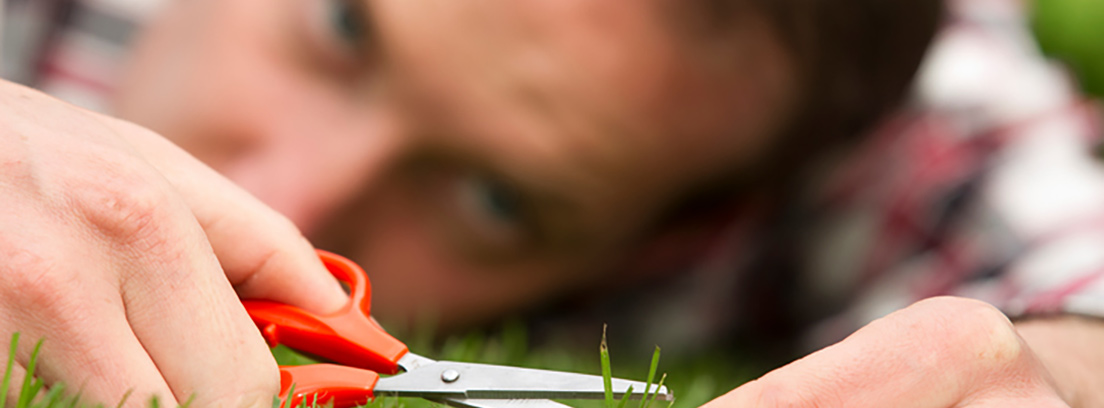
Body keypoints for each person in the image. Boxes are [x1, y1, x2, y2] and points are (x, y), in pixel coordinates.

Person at [1, 0, 1102, 407]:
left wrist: (1044, 377)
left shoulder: (886, 99)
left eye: (495, 199)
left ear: (679, 234)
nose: (280, 196)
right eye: (345, 31)